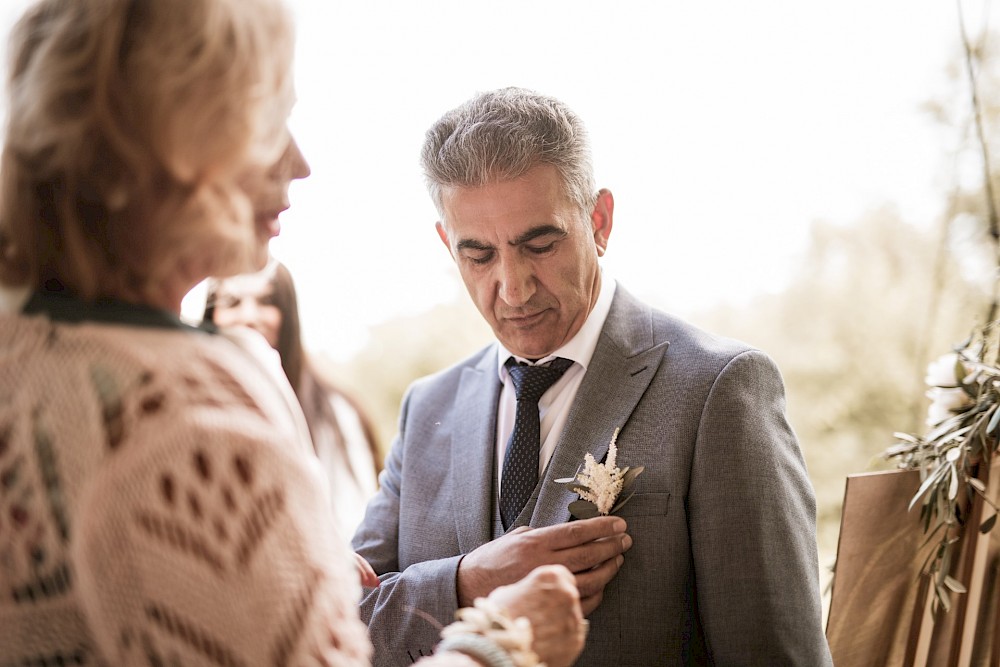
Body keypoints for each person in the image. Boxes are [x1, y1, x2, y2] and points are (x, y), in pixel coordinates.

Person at [0, 2, 587, 665]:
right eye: (270, 120)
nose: (299, 163)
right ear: (177, 135)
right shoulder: (190, 413)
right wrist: (501, 642)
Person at [352, 87, 834, 666]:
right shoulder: (427, 406)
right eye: (478, 255)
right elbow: (337, 625)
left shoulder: (720, 388)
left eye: (539, 244)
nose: (513, 287)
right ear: (445, 243)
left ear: (599, 221)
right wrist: (465, 583)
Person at [204, 259, 382, 537]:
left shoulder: (333, 410)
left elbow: (356, 524)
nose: (249, 315)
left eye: (266, 301)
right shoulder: (196, 407)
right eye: (232, 302)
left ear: (288, 314)